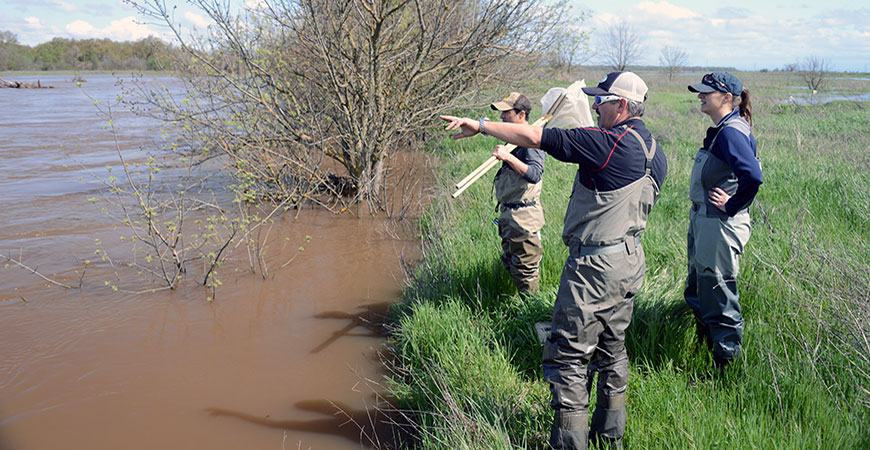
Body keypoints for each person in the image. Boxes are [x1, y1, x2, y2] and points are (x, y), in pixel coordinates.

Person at [441, 71, 668, 450]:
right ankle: (609, 437)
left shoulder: (609, 143)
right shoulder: (654, 152)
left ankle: (569, 444)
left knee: (568, 357)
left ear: (623, 105)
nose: (595, 106)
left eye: (603, 101)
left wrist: (479, 125)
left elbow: (535, 137)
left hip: (594, 268)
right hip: (631, 261)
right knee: (613, 349)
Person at [685, 72, 762, 369]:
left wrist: (731, 206)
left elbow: (753, 178)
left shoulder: (731, 132)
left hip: (719, 225)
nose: (700, 96)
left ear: (727, 98)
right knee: (700, 289)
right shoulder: (723, 129)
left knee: (718, 292)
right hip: (707, 222)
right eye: (700, 92)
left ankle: (723, 369)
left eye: (707, 92)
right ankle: (706, 351)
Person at [489, 92, 546, 294]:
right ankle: (521, 303)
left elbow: (534, 174)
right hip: (509, 215)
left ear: (521, 114)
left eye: (506, 113)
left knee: (525, 269)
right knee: (510, 261)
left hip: (524, 218)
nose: (502, 117)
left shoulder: (531, 141)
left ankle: (532, 313)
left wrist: (507, 157)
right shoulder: (515, 138)